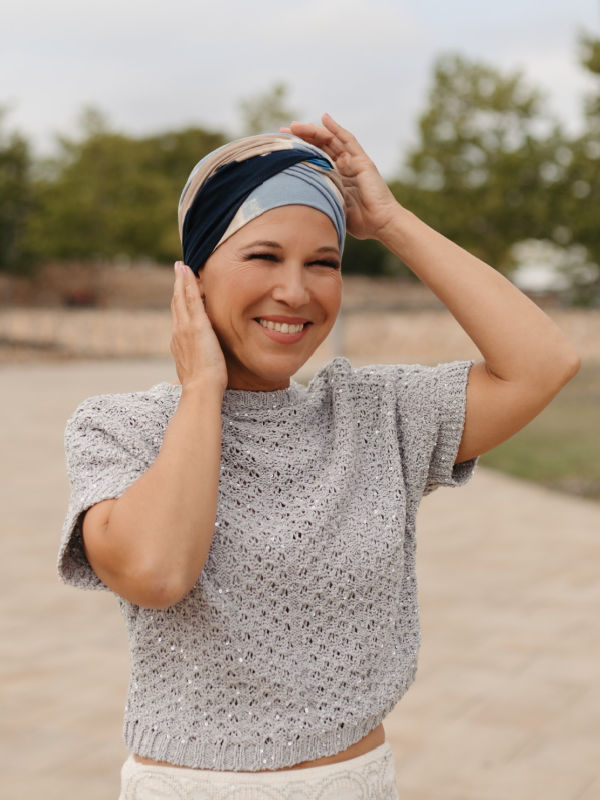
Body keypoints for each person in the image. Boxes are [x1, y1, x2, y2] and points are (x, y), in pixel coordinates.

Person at [58, 114, 580, 800]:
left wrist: (389, 220)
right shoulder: (119, 428)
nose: (296, 292)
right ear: (196, 274)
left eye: (323, 263)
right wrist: (203, 389)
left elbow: (544, 362)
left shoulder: (375, 414)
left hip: (359, 782)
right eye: (264, 257)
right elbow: (157, 572)